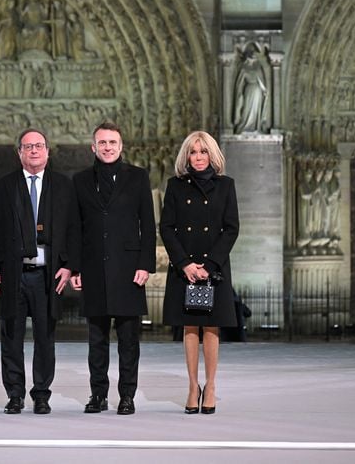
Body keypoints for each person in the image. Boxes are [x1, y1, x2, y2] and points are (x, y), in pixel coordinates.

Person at [0, 128, 80, 415]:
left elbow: (75, 230)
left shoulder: (64, 186)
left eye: (39, 146)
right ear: (19, 153)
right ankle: (15, 395)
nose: (34, 151)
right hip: (13, 273)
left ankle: (41, 394)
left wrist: (69, 266)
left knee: (45, 338)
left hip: (47, 275)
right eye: (28, 147)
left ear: (48, 151)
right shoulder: (3, 187)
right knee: (11, 338)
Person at [71, 121, 156, 415]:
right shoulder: (80, 180)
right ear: (93, 147)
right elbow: (75, 228)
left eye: (113, 143)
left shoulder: (138, 177)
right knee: (97, 342)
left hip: (129, 270)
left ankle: (127, 396)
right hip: (93, 269)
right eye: (102, 143)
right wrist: (75, 268)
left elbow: (148, 223)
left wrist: (146, 264)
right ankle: (98, 395)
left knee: (129, 342)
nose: (108, 147)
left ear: (121, 146)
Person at [160, 131, 239, 415]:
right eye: (193, 152)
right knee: (190, 327)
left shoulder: (226, 186)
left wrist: (210, 264)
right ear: (187, 156)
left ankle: (212, 386)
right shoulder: (175, 186)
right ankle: (193, 386)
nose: (198, 157)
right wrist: (184, 263)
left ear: (212, 155)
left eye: (203, 151)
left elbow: (231, 228)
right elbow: (166, 227)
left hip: (213, 268)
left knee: (212, 327)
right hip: (185, 267)